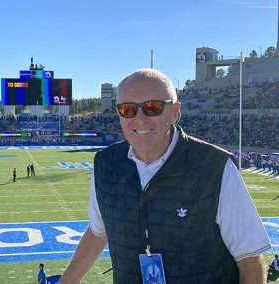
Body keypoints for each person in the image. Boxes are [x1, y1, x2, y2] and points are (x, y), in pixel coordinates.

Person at [59, 69, 271, 283]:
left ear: (174, 112)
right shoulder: (106, 163)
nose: (139, 119)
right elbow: (98, 231)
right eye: (128, 109)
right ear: (118, 113)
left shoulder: (215, 167)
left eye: (153, 107)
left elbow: (250, 261)